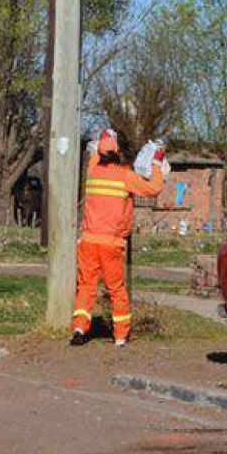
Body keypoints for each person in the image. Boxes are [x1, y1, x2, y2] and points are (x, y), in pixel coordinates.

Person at [70, 129, 168, 347]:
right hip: (111, 243)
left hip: (88, 241)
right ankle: (121, 335)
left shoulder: (93, 170)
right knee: (116, 289)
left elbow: (96, 151)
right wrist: (156, 162)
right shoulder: (125, 176)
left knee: (86, 286)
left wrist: (106, 135)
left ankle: (78, 327)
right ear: (118, 153)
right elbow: (153, 188)